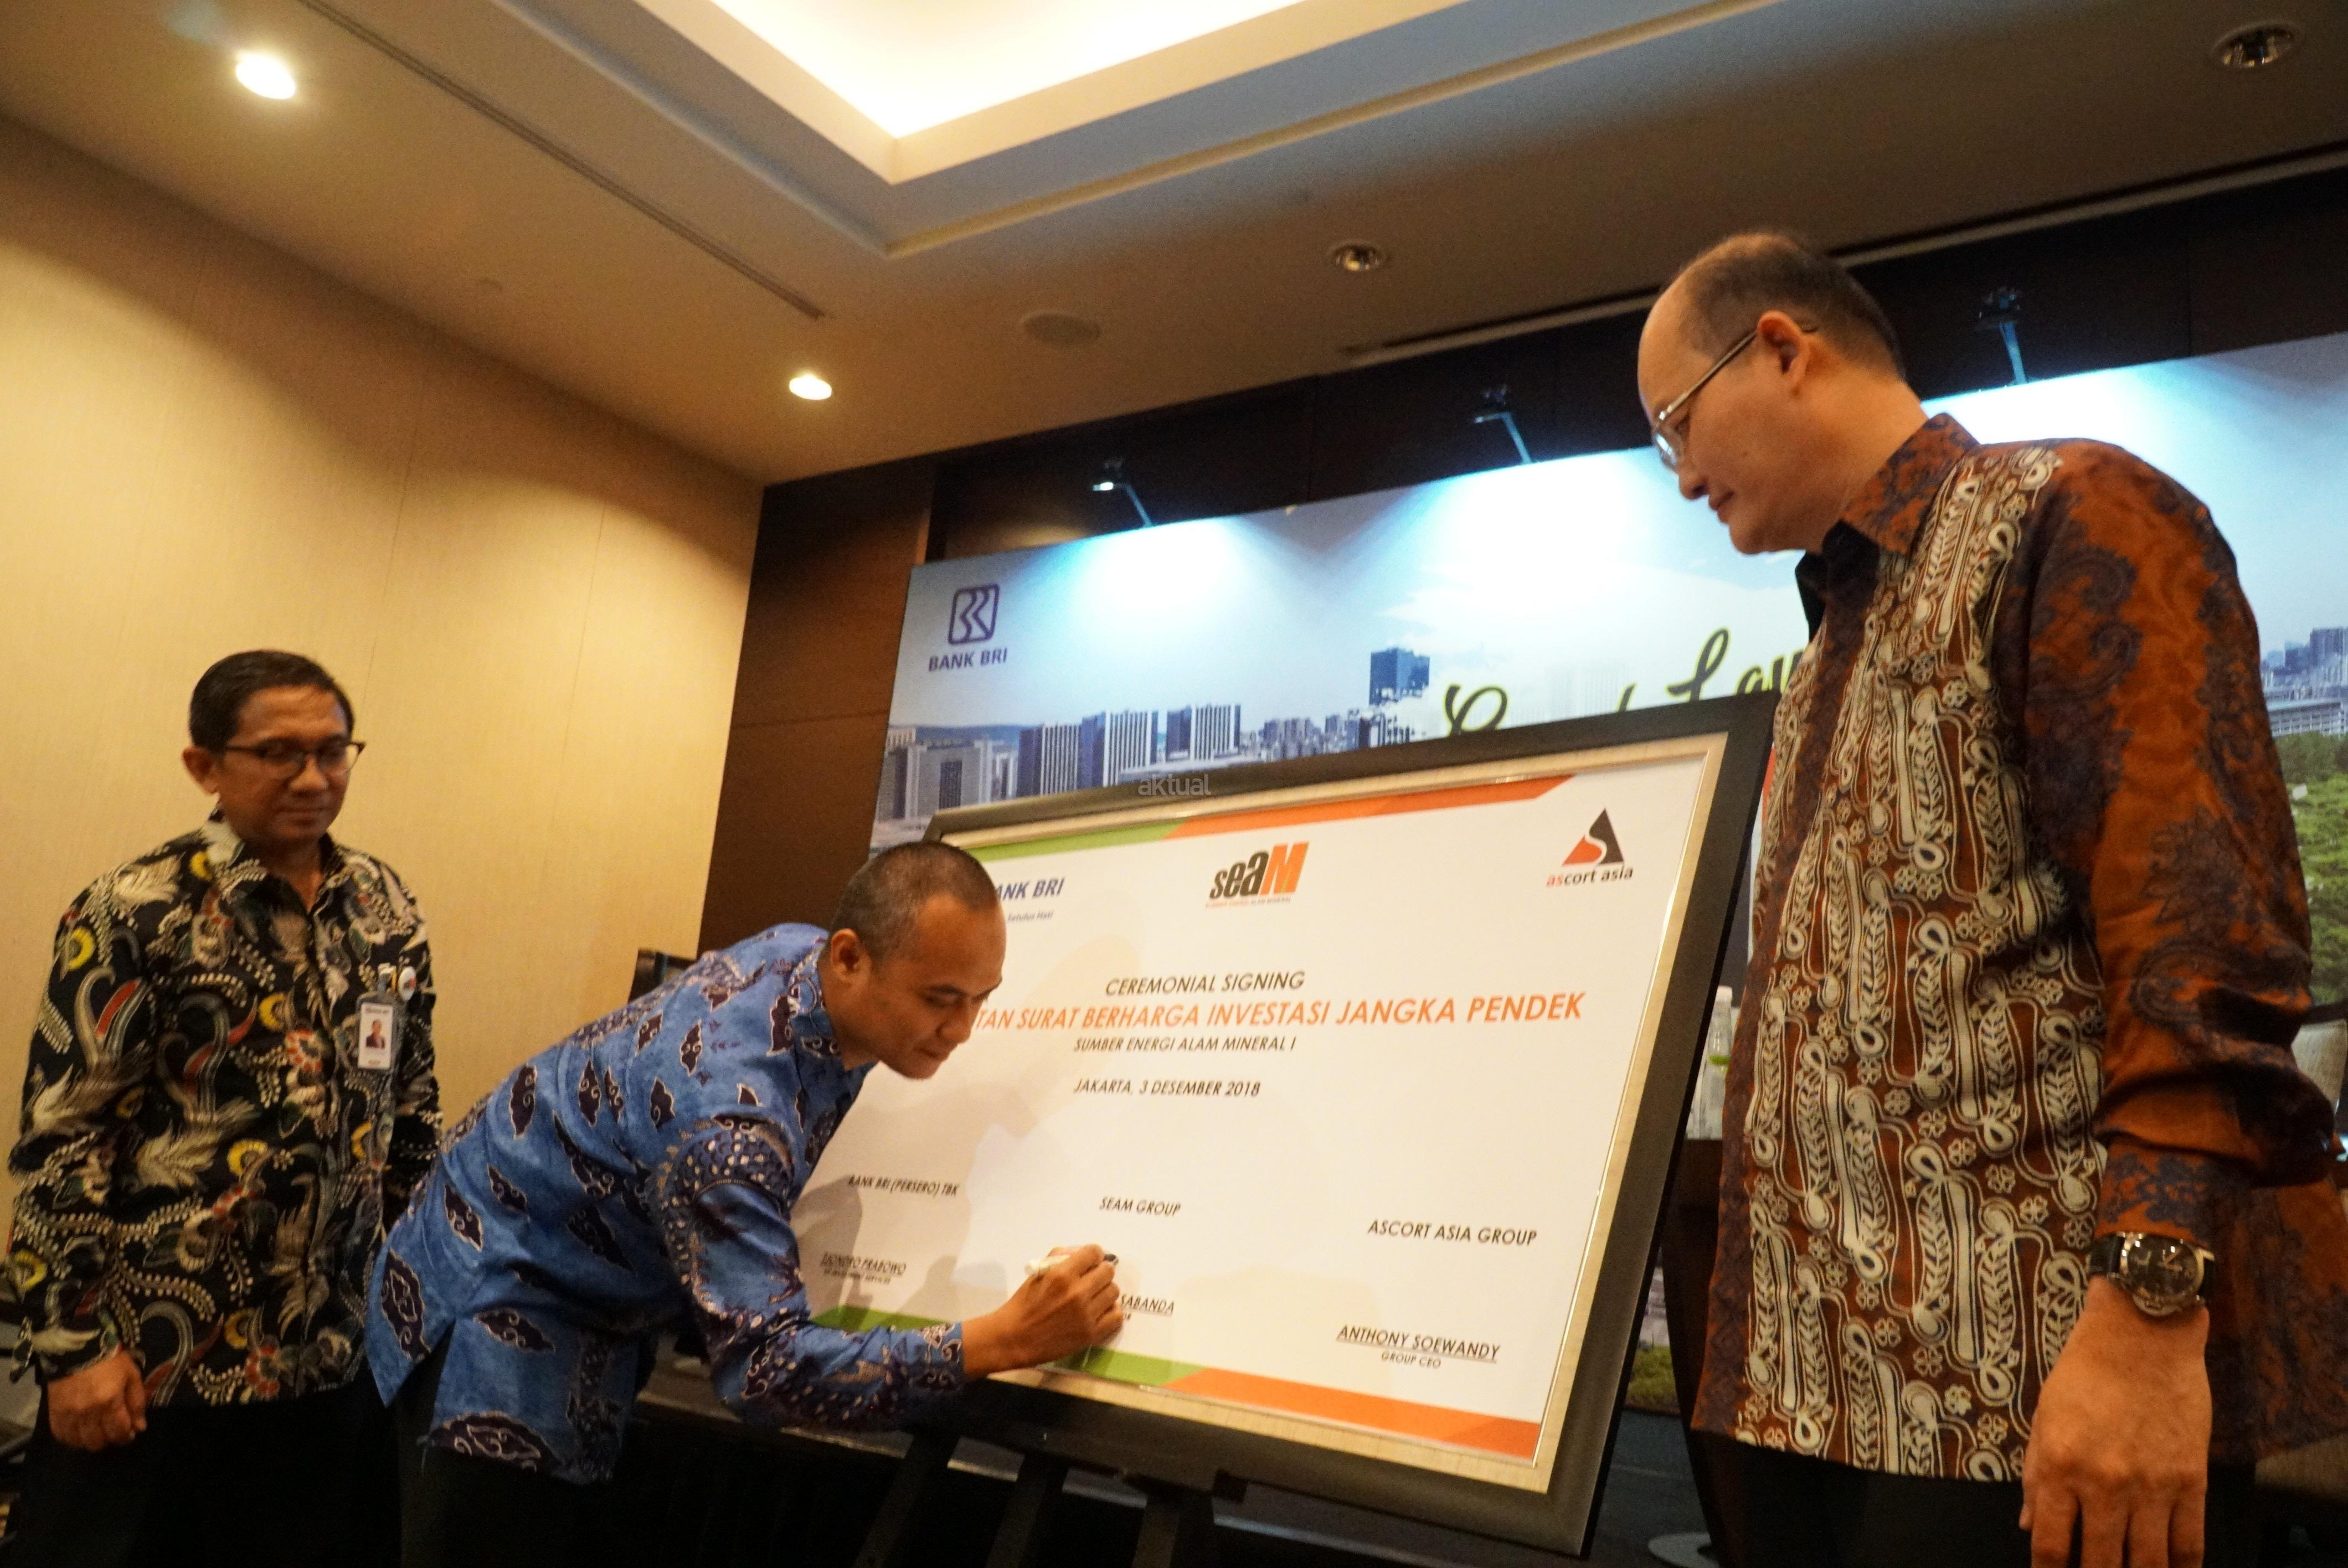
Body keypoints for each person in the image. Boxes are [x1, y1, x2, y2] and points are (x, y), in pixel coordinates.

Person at [1636, 233, 2348, 1568]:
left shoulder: (2067, 514)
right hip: (1819, 1392)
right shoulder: (1830, 637)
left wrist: (2145, 1315)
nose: (1678, 475)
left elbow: (2197, 946)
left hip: (2030, 1398)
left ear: (1782, 349)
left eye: (1675, 420)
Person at [366, 842, 1121, 1567]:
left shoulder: (803, 957)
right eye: (940, 1000)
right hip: (492, 1320)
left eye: (982, 999)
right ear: (849, 958)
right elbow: (764, 1372)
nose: (963, 1030)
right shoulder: (730, 1123)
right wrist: (1001, 1339)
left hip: (572, 1300)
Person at [6, 649, 440, 1566]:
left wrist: (413, 1305)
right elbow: (64, 1141)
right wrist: (72, 1349)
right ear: (204, 765)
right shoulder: (138, 910)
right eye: (279, 753)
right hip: (155, 1366)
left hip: (327, 1365)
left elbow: (410, 1116)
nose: (313, 778)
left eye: (333, 751)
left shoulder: (385, 906)